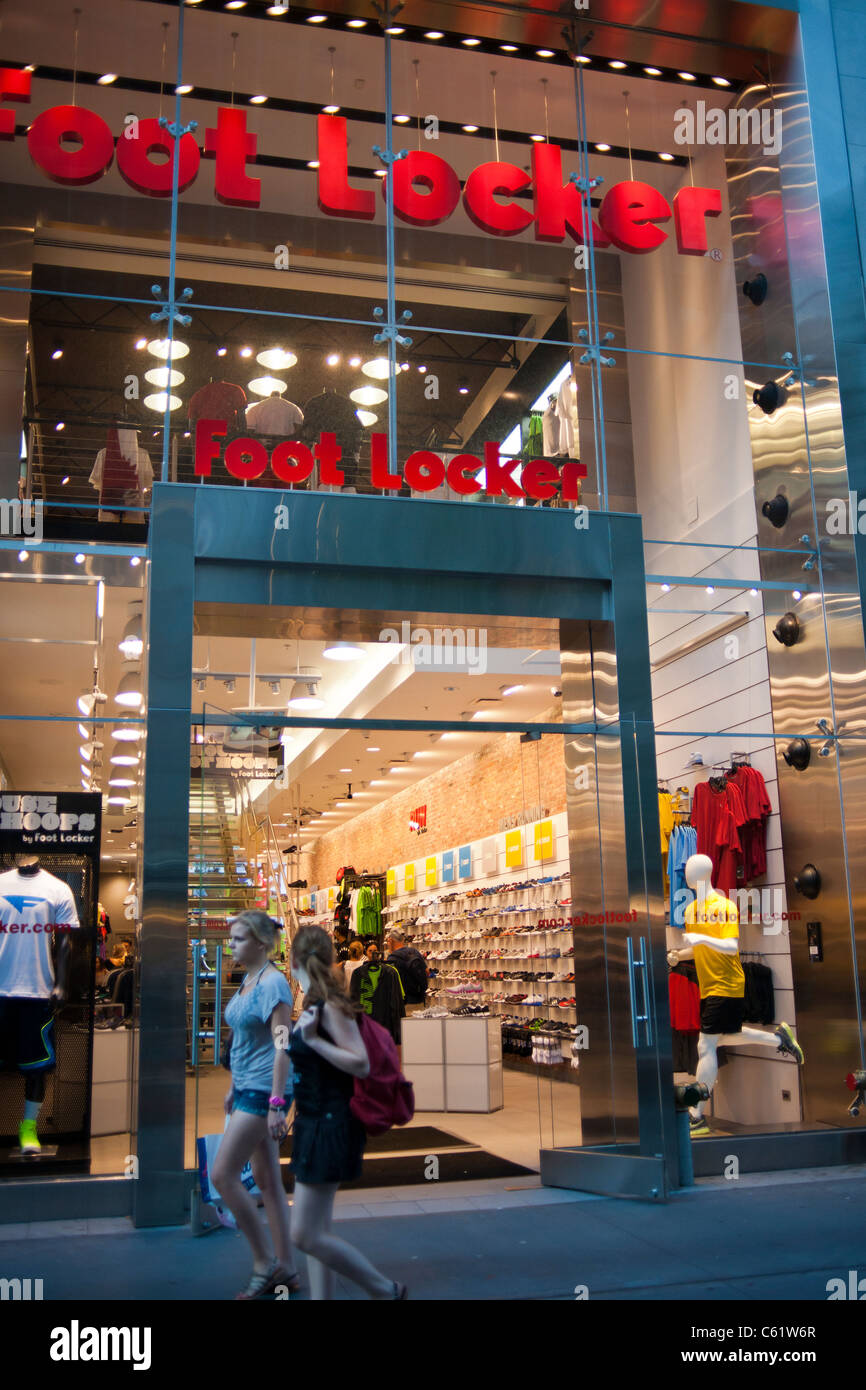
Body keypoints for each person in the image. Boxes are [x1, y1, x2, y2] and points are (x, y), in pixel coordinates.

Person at [288, 925, 407, 1300]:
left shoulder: (329, 1007)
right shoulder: (318, 1004)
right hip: (316, 1119)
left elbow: (359, 1063)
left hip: (330, 1123)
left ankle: (384, 1289)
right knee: (317, 1230)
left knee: (304, 1234)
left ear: (295, 960)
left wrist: (310, 1043)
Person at [211, 910, 299, 1300]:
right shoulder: (250, 980)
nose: (232, 944)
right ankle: (287, 1267)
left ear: (261, 943)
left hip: (266, 1091)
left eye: (239, 939)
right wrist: (233, 1083)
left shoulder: (274, 986)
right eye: (232, 938)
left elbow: (283, 1046)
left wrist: (278, 1104)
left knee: (222, 1175)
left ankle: (265, 1261)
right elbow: (245, 1044)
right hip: (248, 1086)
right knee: (267, 1182)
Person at [386, 929, 428, 1015]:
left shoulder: (392, 958)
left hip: (403, 1004)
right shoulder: (414, 951)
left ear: (390, 940)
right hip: (419, 1000)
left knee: (405, 1027)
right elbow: (426, 971)